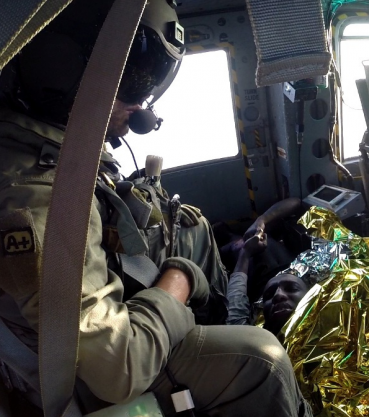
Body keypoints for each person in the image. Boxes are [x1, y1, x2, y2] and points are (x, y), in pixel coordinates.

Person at [0, 1, 311, 416]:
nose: (143, 107)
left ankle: (220, 320)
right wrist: (180, 279)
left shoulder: (52, 145)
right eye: (133, 84)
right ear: (62, 72)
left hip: (111, 332)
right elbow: (117, 369)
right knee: (262, 362)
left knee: (193, 226)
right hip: (86, 384)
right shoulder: (34, 196)